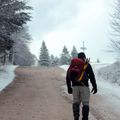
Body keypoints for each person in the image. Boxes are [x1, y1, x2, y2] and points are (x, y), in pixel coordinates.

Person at [66, 52, 97, 120]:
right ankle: (85, 118)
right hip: (84, 86)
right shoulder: (86, 65)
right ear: (84, 57)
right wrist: (94, 86)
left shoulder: (73, 65)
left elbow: (68, 76)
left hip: (75, 87)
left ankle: (76, 116)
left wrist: (69, 87)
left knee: (76, 101)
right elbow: (92, 76)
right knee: (85, 103)